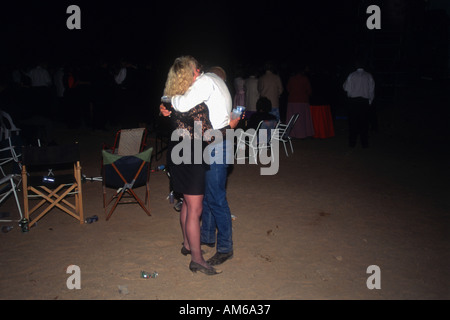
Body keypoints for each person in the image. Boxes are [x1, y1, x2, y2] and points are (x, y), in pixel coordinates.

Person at [162, 62, 239, 268]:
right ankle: (203, 239)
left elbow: (183, 108)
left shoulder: (202, 84)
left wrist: (168, 100)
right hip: (203, 146)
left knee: (212, 198)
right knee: (203, 198)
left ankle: (223, 247)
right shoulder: (207, 85)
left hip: (211, 144)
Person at [343, 61, 375, 148]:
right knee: (364, 123)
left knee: (353, 123)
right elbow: (371, 91)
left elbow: (346, 88)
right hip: (364, 102)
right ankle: (364, 143)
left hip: (354, 102)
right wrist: (369, 102)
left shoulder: (352, 75)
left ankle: (352, 143)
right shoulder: (369, 76)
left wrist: (350, 96)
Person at [286, 65, 315, 139]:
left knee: (292, 119)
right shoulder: (305, 79)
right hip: (303, 101)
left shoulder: (292, 79)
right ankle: (303, 134)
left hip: (292, 101)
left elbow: (288, 89)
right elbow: (309, 90)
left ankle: (292, 134)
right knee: (303, 119)